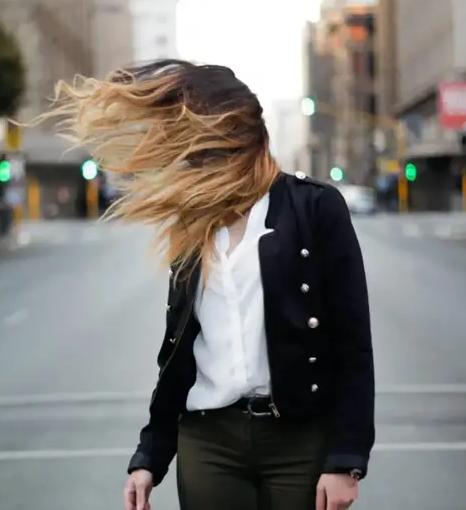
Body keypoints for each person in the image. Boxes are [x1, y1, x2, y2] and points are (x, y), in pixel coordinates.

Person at [40, 60, 375, 510]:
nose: (195, 160)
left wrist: (345, 460)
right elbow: (178, 350)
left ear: (239, 138)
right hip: (209, 440)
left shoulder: (315, 208)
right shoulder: (192, 222)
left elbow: (353, 342)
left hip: (299, 439)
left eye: (205, 146)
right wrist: (150, 456)